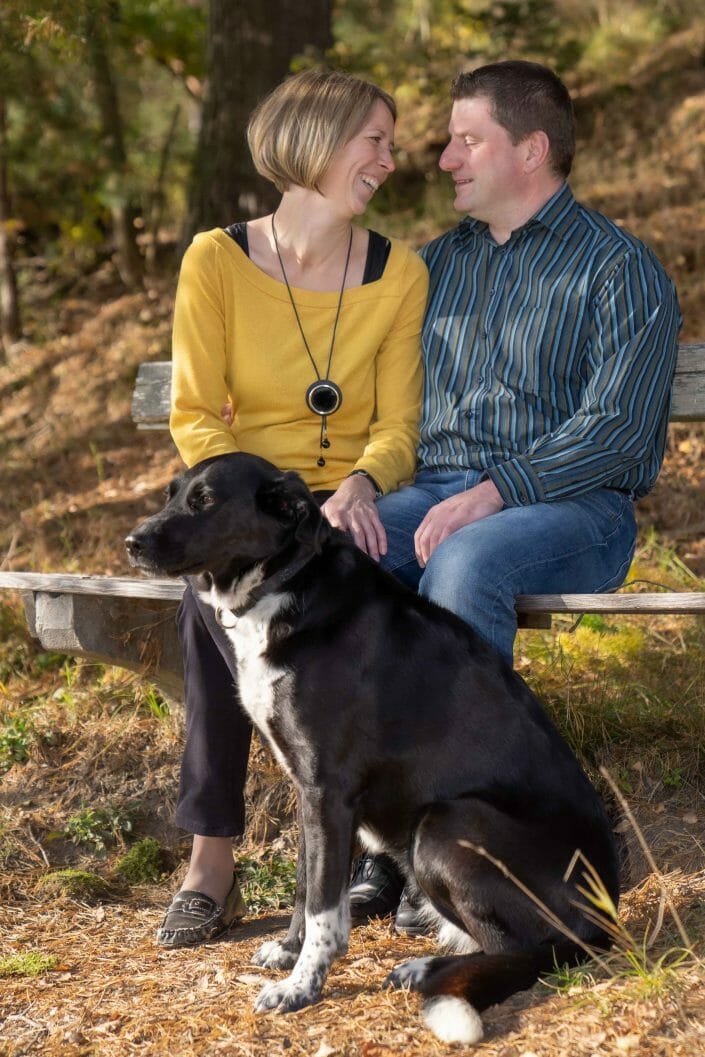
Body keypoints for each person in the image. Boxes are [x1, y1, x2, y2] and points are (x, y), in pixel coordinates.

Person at [348, 59, 681, 933]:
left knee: (464, 560)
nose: (446, 156)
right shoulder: (430, 269)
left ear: (529, 149)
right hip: (433, 492)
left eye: (467, 139)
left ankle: (467, 848)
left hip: (572, 507)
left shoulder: (618, 270)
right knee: (334, 560)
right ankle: (378, 846)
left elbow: (615, 433)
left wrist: (494, 492)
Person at [157, 68, 428, 947]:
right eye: (373, 140)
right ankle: (211, 861)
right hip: (244, 495)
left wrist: (361, 482)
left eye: (389, 142)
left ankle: (377, 852)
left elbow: (397, 424)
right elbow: (195, 412)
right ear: (315, 139)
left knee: (377, 594)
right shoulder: (218, 259)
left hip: (349, 501)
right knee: (209, 607)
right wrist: (258, 501)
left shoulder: (398, 272)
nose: (389, 159)